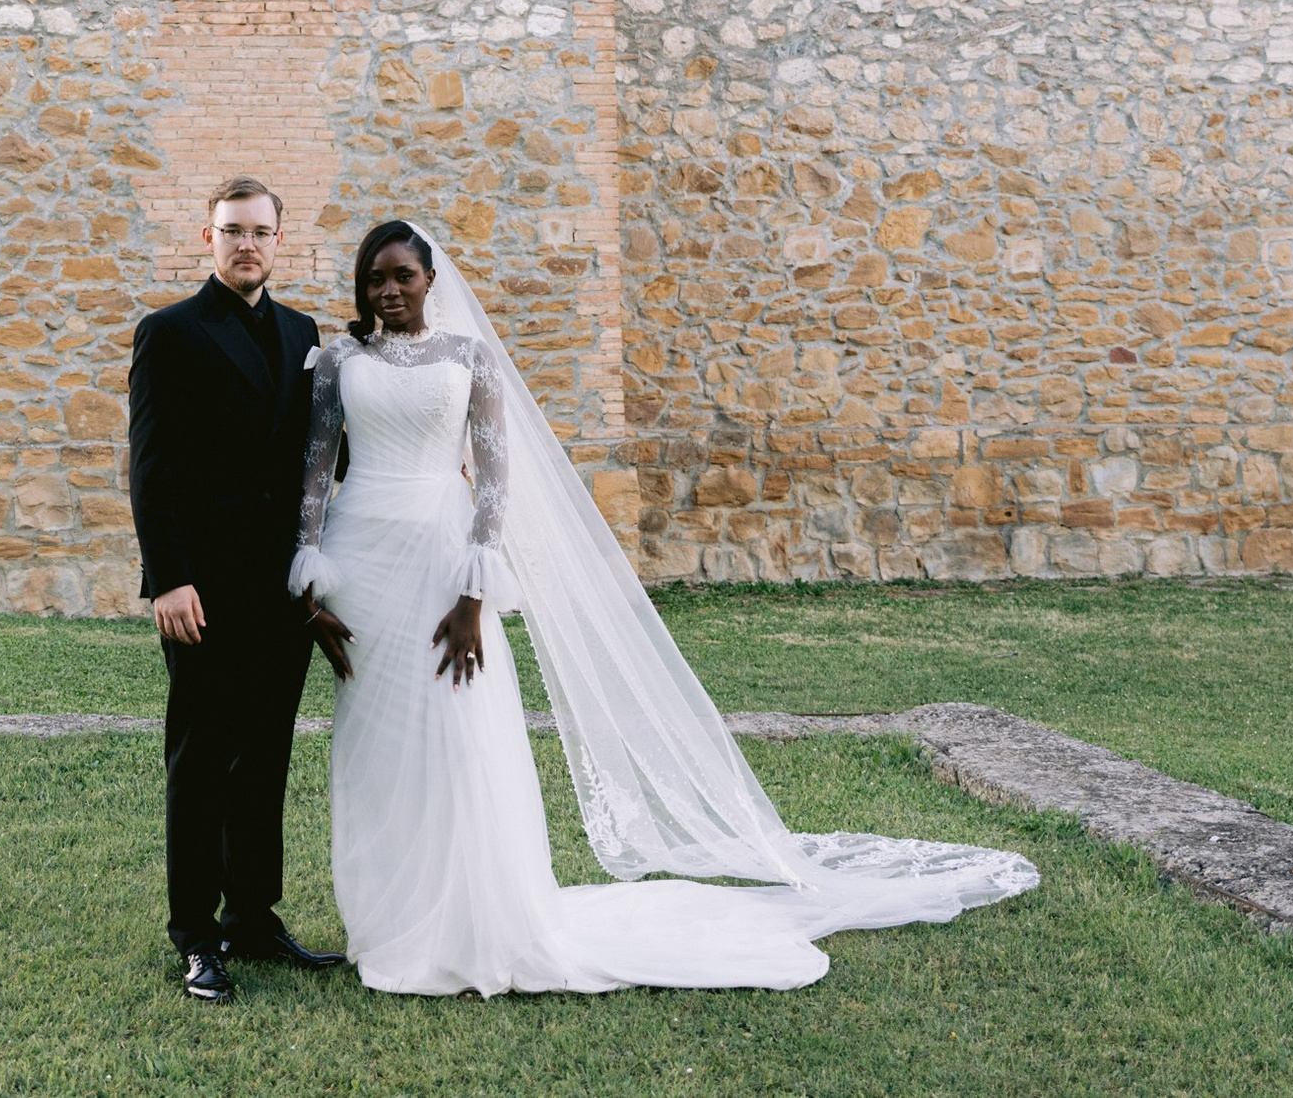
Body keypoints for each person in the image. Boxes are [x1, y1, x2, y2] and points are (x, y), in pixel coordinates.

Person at [293, 220, 1040, 997]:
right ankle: (390, 920)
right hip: (364, 571)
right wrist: (309, 585)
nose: (389, 289)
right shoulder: (341, 359)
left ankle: (472, 922)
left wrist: (475, 594)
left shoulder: (468, 359)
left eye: (403, 275)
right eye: (376, 277)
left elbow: (495, 484)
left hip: (443, 566)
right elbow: (315, 472)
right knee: (376, 748)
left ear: (428, 280)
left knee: (458, 737)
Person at [126, 175, 353, 1003]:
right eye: (232, 230)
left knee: (264, 755)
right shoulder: (169, 333)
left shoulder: (304, 331)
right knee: (201, 758)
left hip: (279, 591)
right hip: (203, 591)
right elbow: (151, 470)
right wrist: (169, 578)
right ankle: (196, 935)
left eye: (260, 230)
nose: (246, 243)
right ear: (207, 237)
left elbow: (316, 457)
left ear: (279, 241)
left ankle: (253, 916)